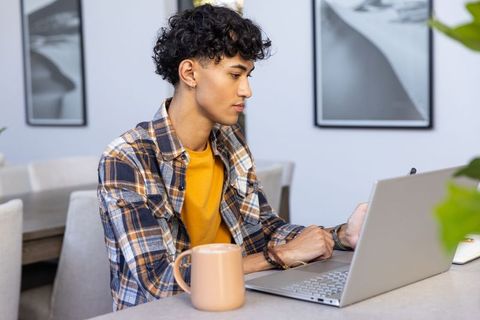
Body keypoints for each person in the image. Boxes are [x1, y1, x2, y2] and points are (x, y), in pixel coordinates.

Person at [97, 4, 367, 311]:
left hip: (237, 300)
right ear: (189, 73)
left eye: (248, 75)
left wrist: (342, 234)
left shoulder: (229, 141)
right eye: (235, 74)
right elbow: (161, 282)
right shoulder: (127, 158)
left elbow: (265, 230)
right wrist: (278, 257)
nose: (247, 90)